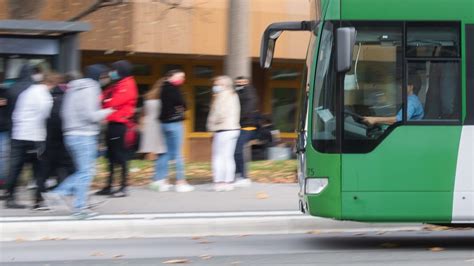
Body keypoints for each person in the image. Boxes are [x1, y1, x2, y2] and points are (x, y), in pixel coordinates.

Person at [43, 65, 114, 219]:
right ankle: (74, 204)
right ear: (99, 76)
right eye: (105, 76)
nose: (106, 79)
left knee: (83, 172)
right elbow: (91, 115)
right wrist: (108, 111)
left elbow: (64, 112)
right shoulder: (92, 88)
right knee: (86, 172)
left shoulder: (74, 88)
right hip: (84, 134)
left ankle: (69, 200)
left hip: (71, 134)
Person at [4, 70, 55, 209]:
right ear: (50, 83)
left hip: (18, 134)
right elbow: (45, 114)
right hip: (34, 136)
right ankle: (38, 200)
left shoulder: (26, 92)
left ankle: (10, 197)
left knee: (16, 167)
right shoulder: (43, 94)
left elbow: (16, 113)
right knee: (39, 168)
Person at [95, 60, 138, 197]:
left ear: (121, 70)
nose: (111, 73)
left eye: (114, 70)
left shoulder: (128, 84)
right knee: (111, 157)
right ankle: (109, 186)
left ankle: (123, 187)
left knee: (121, 157)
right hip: (112, 123)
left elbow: (113, 102)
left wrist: (106, 102)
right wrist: (105, 102)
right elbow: (102, 100)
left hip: (120, 125)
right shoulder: (117, 84)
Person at [34, 74, 76, 210]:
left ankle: (38, 200)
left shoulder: (51, 96)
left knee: (45, 172)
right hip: (59, 142)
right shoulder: (63, 99)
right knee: (73, 170)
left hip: (49, 141)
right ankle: (77, 198)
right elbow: (59, 121)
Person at [152, 69, 194, 192]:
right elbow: (183, 103)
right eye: (180, 76)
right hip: (175, 123)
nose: (182, 79)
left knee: (165, 153)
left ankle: (162, 180)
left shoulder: (162, 88)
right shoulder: (173, 89)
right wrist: (183, 106)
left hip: (164, 124)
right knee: (177, 153)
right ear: (170, 76)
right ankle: (180, 182)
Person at [206, 76, 240, 192]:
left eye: (217, 84)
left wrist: (211, 126)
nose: (215, 86)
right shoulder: (233, 95)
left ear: (224, 85)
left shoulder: (221, 96)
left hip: (222, 129)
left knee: (218, 157)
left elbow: (219, 113)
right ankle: (228, 182)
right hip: (233, 129)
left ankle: (219, 182)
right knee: (229, 156)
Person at [233, 76, 259, 187]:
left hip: (247, 126)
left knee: (238, 150)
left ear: (247, 82)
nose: (240, 84)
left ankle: (243, 176)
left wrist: (237, 120)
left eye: (242, 82)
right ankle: (238, 174)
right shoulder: (239, 93)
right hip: (241, 125)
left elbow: (246, 110)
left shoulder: (249, 93)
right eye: (238, 83)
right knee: (236, 151)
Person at [138, 78, 166, 160]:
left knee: (149, 147)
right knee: (160, 148)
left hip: (148, 123)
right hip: (159, 123)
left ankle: (148, 160)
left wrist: (141, 124)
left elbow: (143, 113)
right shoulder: (164, 99)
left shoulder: (149, 97)